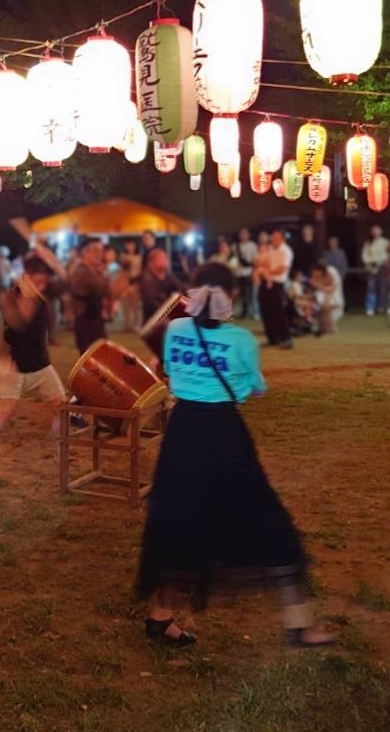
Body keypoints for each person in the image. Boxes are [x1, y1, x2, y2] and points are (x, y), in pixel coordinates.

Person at [135, 262, 337, 649]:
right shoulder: (243, 341)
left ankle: (160, 617)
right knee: (267, 521)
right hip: (224, 436)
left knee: (177, 522)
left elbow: (168, 369)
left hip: (182, 435)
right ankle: (299, 623)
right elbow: (254, 390)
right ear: (232, 296)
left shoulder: (176, 329)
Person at [0, 255, 66, 478]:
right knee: (4, 413)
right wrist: (27, 296)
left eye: (45, 282)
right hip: (16, 369)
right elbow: (19, 323)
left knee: (62, 409)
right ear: (26, 277)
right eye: (38, 281)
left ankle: (60, 454)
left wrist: (49, 257)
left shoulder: (42, 298)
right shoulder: (9, 299)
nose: (42, 287)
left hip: (42, 367)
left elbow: (64, 279)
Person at [69, 237, 111, 355]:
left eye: (101, 251)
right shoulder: (82, 272)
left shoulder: (91, 271)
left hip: (94, 321)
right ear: (85, 253)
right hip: (86, 324)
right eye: (96, 250)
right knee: (93, 361)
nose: (100, 254)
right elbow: (106, 291)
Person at [254, 229, 294, 349]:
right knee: (265, 310)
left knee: (278, 312)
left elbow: (282, 268)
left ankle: (286, 339)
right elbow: (262, 261)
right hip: (265, 281)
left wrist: (267, 271)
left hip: (277, 284)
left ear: (282, 239)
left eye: (276, 238)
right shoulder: (270, 249)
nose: (273, 240)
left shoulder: (286, 251)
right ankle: (272, 338)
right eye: (272, 238)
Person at [309, 260, 345, 335]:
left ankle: (330, 328)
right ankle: (322, 327)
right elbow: (313, 284)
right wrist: (320, 287)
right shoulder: (314, 274)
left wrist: (327, 298)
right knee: (319, 308)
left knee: (326, 307)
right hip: (319, 294)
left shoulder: (330, 273)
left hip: (331, 294)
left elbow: (332, 287)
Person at [361, 224, 389, 316]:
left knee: (383, 287)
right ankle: (370, 307)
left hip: (383, 267)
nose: (376, 233)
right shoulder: (368, 243)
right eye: (374, 231)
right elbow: (364, 256)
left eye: (377, 231)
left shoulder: (385, 242)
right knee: (371, 288)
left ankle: (381, 306)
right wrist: (370, 262)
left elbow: (387, 255)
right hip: (371, 268)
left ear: (381, 232)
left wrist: (382, 260)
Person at [235, 228, 259, 320]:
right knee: (241, 293)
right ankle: (243, 311)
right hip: (239, 273)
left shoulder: (252, 246)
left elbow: (255, 260)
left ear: (249, 235)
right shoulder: (236, 246)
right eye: (241, 234)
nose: (243, 236)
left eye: (245, 234)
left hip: (248, 272)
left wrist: (253, 271)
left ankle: (249, 311)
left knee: (248, 293)